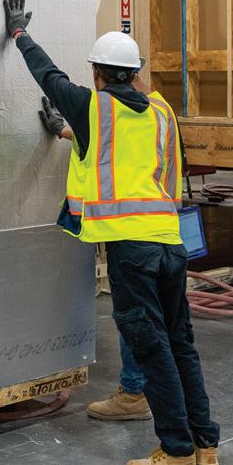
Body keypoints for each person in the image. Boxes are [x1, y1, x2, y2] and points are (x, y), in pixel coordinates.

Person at [5, 0, 220, 465]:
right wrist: (67, 132)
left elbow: (48, 76)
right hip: (169, 243)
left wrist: (20, 32)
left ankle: (177, 453)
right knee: (181, 345)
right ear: (136, 72)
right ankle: (205, 448)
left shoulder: (93, 107)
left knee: (153, 349)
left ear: (97, 73)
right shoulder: (161, 112)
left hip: (133, 251)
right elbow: (127, 151)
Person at [40, 98, 151, 422]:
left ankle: (134, 394)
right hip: (154, 228)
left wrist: (65, 129)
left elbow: (106, 141)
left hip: (132, 230)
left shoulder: (131, 112)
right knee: (149, 316)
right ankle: (147, 391)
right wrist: (65, 131)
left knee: (133, 314)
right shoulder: (155, 112)